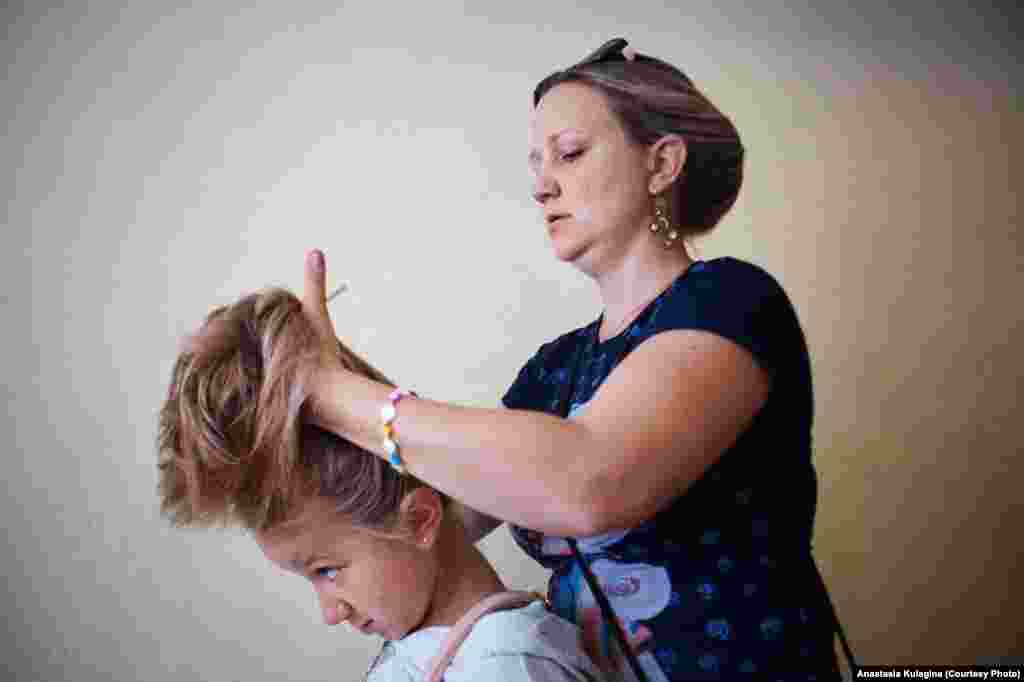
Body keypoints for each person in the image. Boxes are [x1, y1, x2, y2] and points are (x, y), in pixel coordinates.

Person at [296, 38, 843, 680]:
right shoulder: (556, 369)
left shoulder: (731, 302)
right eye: (535, 164)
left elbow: (589, 482)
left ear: (662, 163)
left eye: (570, 153)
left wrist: (334, 393)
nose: (542, 185)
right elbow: (440, 516)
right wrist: (321, 385)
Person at [157, 288, 607, 681]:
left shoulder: (510, 667)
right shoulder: (428, 652)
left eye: (327, 571)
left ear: (419, 519)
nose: (331, 613)